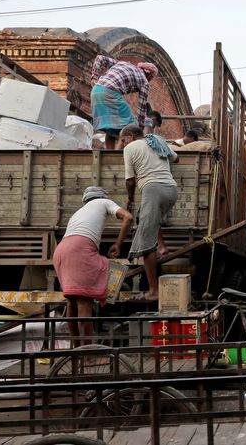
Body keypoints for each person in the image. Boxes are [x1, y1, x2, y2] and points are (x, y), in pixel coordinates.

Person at [52, 187, 133, 345]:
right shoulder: (104, 202)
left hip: (61, 251)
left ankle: (77, 349)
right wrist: (118, 244)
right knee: (85, 301)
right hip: (79, 250)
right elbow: (128, 217)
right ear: (101, 196)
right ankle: (88, 353)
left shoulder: (79, 212)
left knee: (72, 300)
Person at [119, 124, 179, 301]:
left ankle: (154, 291)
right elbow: (176, 159)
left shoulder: (130, 148)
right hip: (171, 190)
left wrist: (129, 198)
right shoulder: (157, 140)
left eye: (123, 140)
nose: (122, 144)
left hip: (152, 190)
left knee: (146, 241)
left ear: (130, 136)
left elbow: (130, 180)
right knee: (146, 219)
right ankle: (162, 246)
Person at [90, 55, 158, 149]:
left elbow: (99, 58)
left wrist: (94, 77)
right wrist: (140, 130)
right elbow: (141, 110)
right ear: (149, 74)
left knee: (111, 128)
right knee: (131, 126)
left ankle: (109, 155)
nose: (150, 80)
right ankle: (119, 155)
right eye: (151, 78)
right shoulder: (144, 82)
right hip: (110, 93)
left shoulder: (123, 63)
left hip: (95, 91)